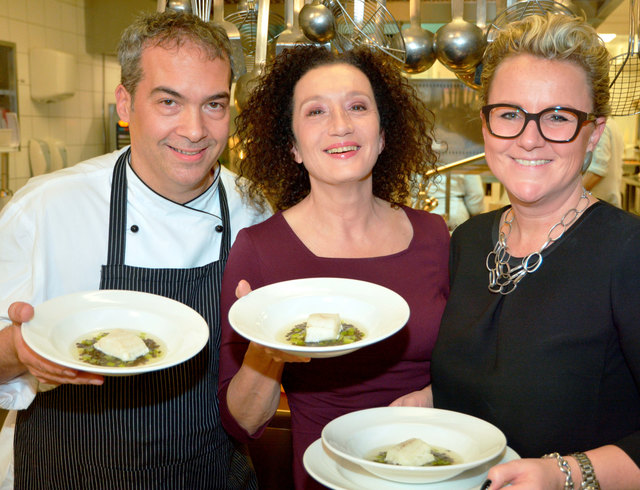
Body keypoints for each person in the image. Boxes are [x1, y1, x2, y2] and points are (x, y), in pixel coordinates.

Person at [0, 11, 269, 488]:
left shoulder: (256, 210)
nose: (193, 130)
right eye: (169, 101)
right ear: (125, 103)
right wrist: (19, 349)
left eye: (213, 105)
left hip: (206, 472)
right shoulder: (47, 208)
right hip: (70, 472)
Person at [217, 45, 450, 489]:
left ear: (383, 135)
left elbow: (472, 367)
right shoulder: (259, 249)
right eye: (316, 111)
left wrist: (436, 394)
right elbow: (242, 423)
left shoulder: (436, 236)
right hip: (327, 476)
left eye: (357, 107)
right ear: (292, 146)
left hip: (435, 468)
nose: (340, 125)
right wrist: (267, 349)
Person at [429, 13, 640, 489]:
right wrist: (428, 398)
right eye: (509, 114)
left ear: (594, 133)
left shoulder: (627, 253)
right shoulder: (469, 240)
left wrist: (564, 474)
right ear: (485, 124)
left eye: (558, 118)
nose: (529, 137)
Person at [583, 117, 625, 207]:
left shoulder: (602, 126)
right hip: (606, 202)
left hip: (599, 204)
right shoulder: (613, 124)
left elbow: (597, 172)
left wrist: (570, 197)